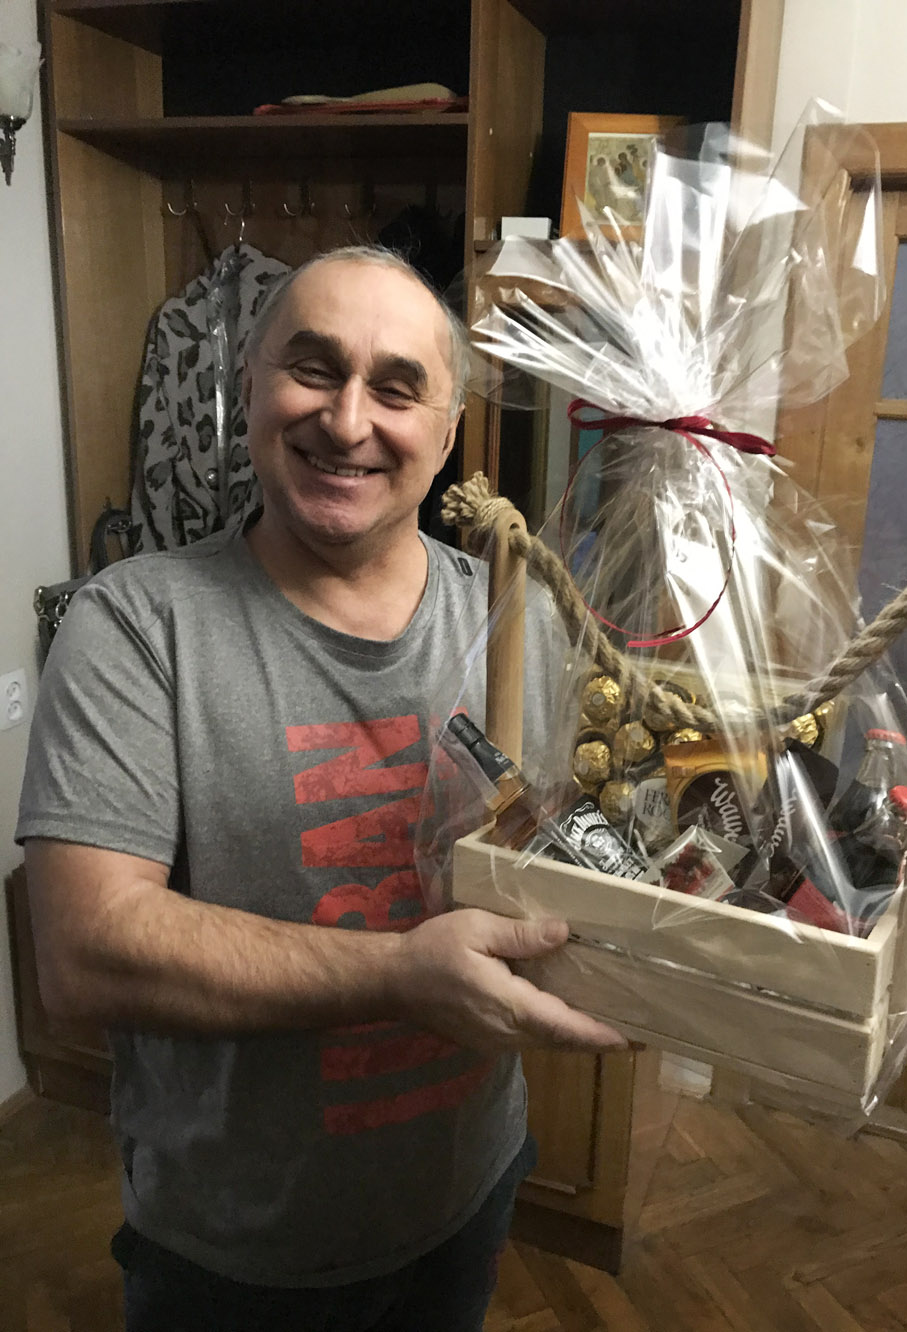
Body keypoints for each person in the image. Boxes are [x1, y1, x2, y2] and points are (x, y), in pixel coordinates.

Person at [16, 246, 627, 1332]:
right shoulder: (133, 626)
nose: (348, 422)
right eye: (313, 369)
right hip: (231, 1257)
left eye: (396, 387)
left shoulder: (522, 623)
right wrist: (400, 975)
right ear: (249, 387)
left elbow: (572, 850)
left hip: (467, 1194)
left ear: (447, 432)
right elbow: (84, 953)